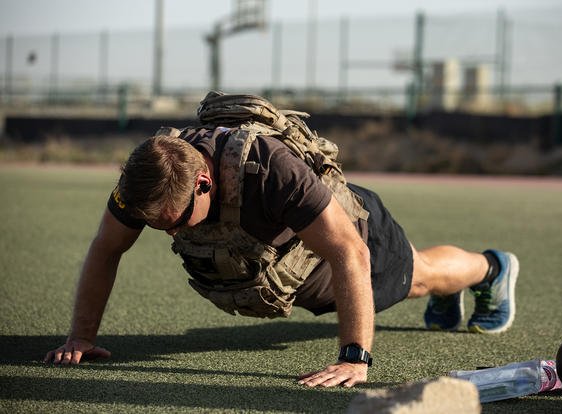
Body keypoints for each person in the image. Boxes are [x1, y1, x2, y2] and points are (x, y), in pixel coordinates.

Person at [44, 94, 519, 389]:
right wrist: (81, 337)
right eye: (160, 228)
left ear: (205, 183)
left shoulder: (270, 170)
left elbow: (347, 250)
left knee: (420, 278)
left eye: (178, 221)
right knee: (424, 279)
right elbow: (106, 248)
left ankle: (492, 269)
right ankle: (453, 288)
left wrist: (354, 357)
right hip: (291, 264)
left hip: (349, 236)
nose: (172, 233)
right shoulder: (148, 179)